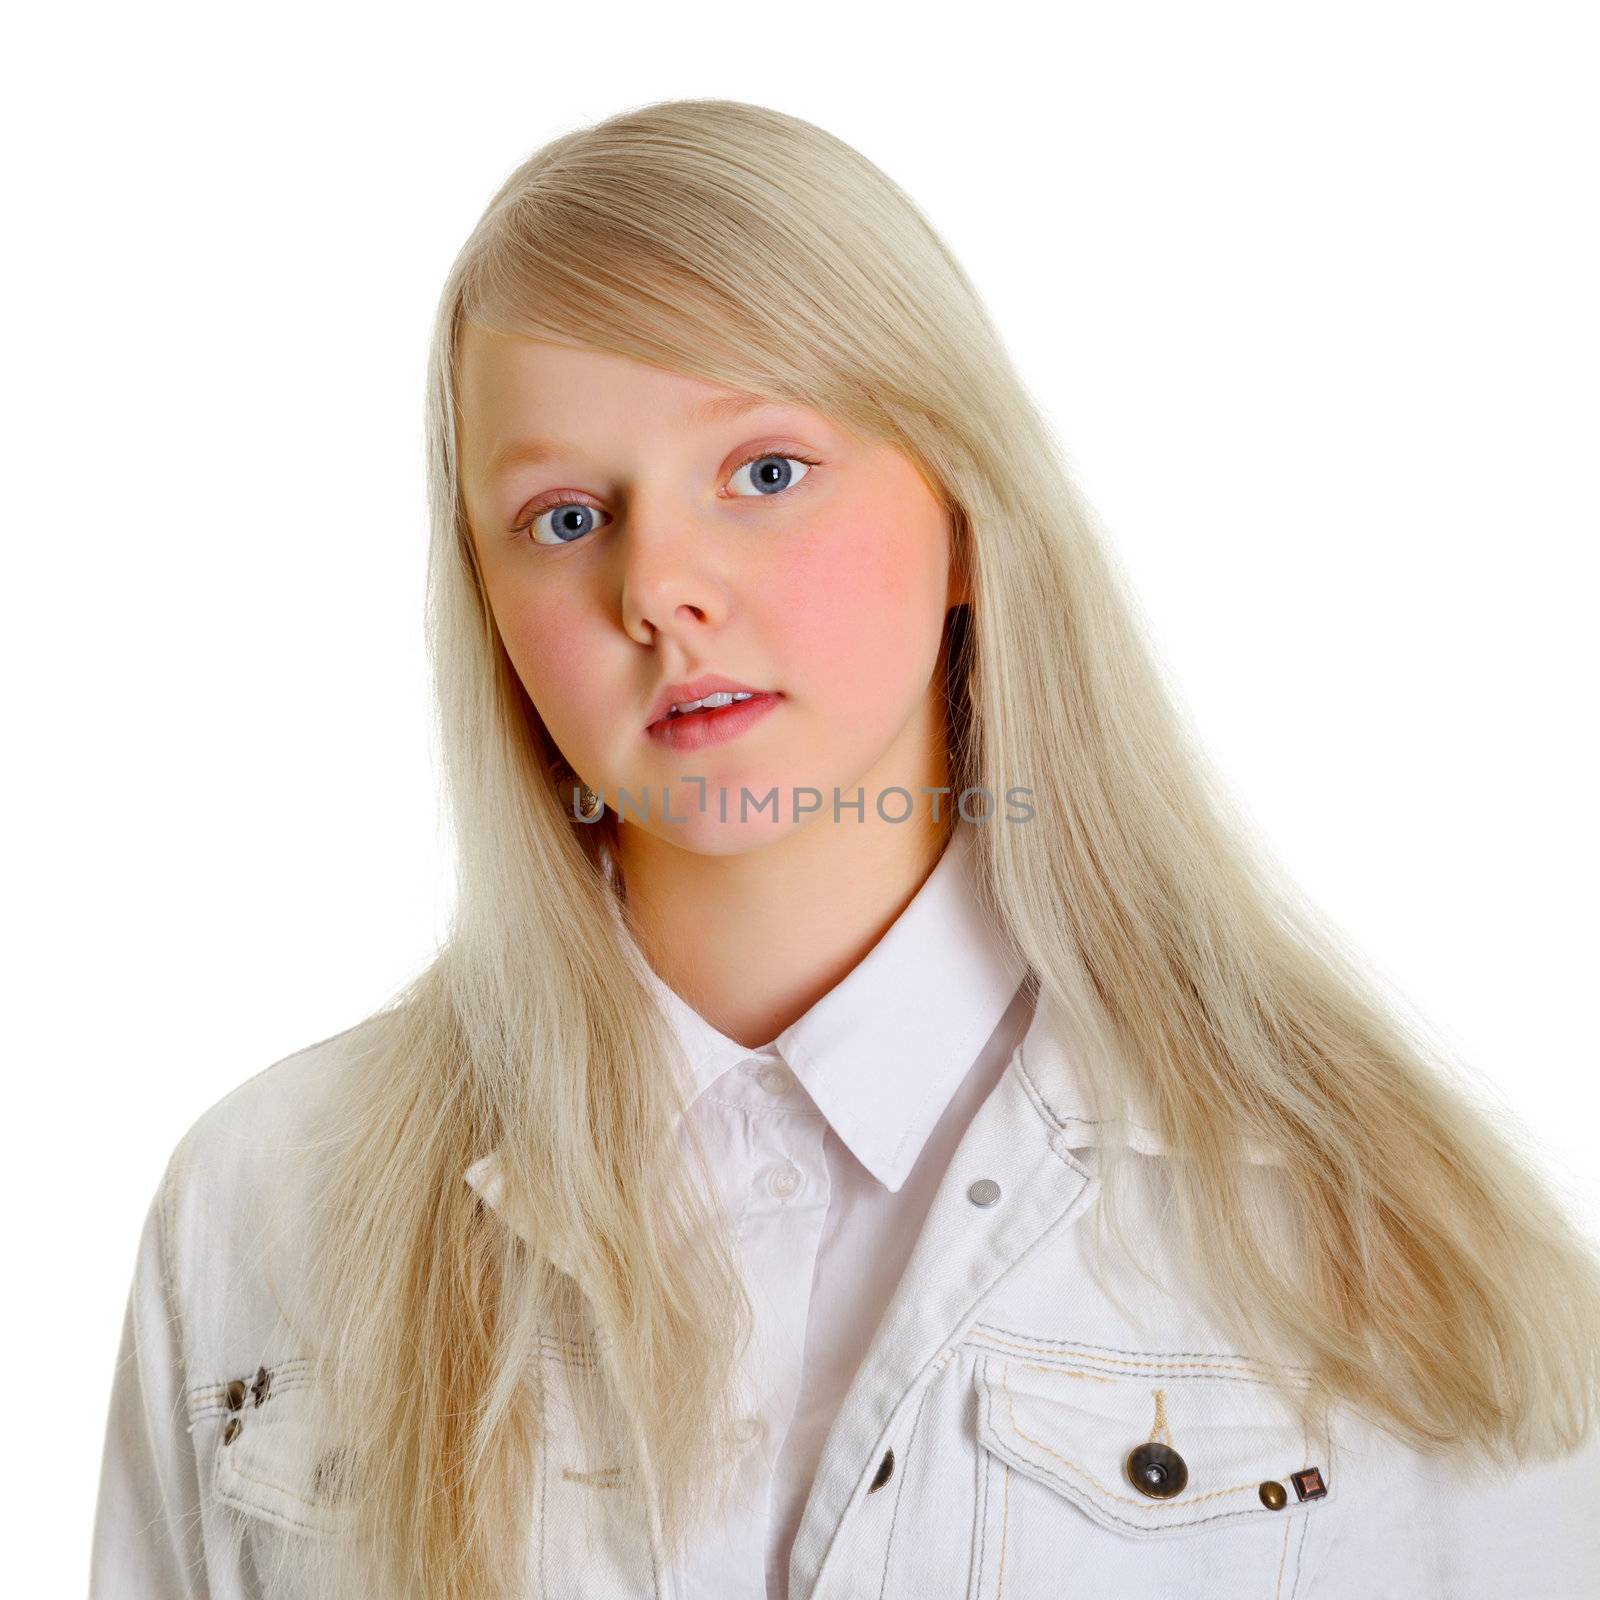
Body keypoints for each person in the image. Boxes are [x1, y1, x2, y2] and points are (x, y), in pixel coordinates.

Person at [89, 97, 1600, 1600]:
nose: (660, 589)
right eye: (561, 518)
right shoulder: (269, 1205)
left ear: (958, 505)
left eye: (763, 472)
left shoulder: (1361, 1219)